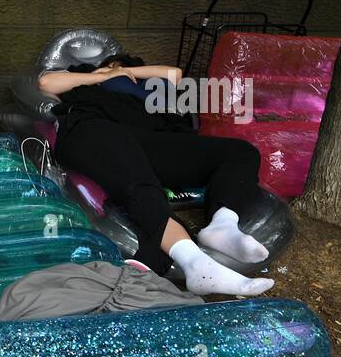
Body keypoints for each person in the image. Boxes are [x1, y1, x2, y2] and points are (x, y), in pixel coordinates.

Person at [39, 53, 273, 297]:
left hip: (152, 138)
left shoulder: (146, 83)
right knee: (138, 181)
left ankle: (223, 224)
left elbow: (175, 74)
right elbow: (46, 83)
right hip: (96, 129)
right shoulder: (87, 74)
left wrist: (129, 72)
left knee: (241, 152)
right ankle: (195, 263)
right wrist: (102, 74)